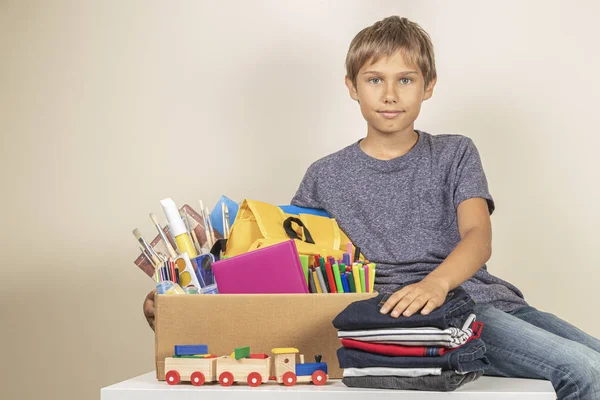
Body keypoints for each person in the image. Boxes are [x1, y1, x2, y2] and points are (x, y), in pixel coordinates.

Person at [289, 16, 600, 399]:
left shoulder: (455, 153)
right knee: (584, 370)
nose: (390, 95)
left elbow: (478, 236)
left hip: (485, 298)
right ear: (352, 86)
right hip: (431, 319)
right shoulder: (324, 175)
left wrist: (437, 281)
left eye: (405, 80)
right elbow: (297, 260)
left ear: (428, 86)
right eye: (374, 80)